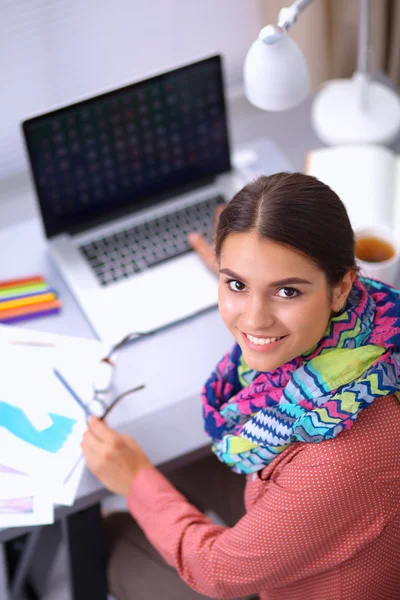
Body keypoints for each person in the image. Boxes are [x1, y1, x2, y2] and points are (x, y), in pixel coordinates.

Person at [81, 172, 400, 600]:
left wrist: (136, 481)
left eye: (287, 291)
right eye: (236, 284)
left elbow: (217, 573)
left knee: (107, 538)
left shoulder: (340, 460)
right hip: (310, 512)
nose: (252, 320)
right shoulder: (376, 320)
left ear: (340, 286)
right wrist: (260, 273)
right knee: (164, 458)